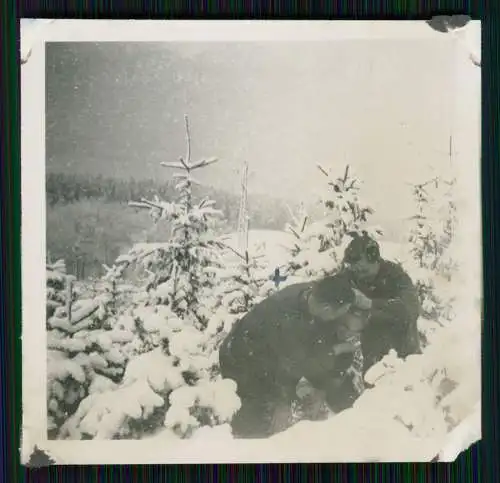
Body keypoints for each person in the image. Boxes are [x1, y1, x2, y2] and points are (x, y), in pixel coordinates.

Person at [218, 274, 368, 439]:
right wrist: (283, 403)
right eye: (341, 313)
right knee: (261, 423)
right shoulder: (288, 322)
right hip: (245, 359)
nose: (343, 318)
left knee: (341, 390)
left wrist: (323, 389)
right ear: (326, 309)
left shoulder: (322, 295)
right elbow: (290, 368)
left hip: (285, 353)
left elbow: (334, 348)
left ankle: (358, 431)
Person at [341, 231, 422, 375]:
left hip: (405, 355)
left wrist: (371, 304)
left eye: (364, 270)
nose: (360, 275)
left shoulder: (396, 277)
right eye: (356, 270)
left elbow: (410, 310)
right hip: (373, 359)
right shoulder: (351, 278)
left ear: (375, 259)